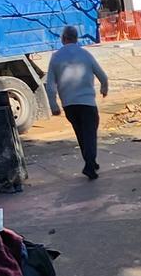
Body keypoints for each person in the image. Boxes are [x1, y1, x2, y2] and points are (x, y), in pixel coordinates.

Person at [44, 25, 110, 180]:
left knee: (81, 134)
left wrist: (54, 105)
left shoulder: (55, 57)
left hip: (69, 105)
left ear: (63, 39)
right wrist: (104, 89)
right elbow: (103, 76)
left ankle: (90, 162)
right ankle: (89, 165)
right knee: (90, 134)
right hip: (87, 102)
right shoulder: (85, 54)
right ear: (76, 38)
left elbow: (50, 84)